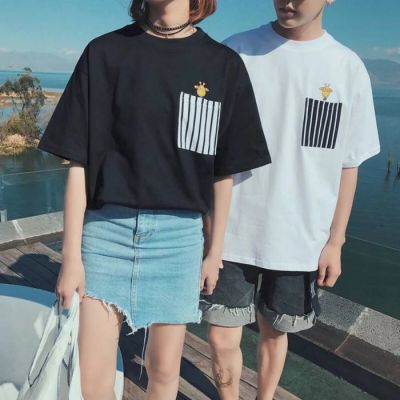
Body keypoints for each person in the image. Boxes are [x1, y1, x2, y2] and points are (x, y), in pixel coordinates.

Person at [37, 1, 271, 399]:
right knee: (92, 380)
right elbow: (78, 163)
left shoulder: (222, 65)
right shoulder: (104, 52)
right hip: (105, 234)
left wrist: (214, 252)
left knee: (163, 374)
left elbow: (223, 173)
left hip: (179, 240)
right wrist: (70, 256)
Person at [200, 1, 381, 399]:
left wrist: (336, 241)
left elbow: (348, 164)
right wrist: (208, 226)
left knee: (275, 332)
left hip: (300, 237)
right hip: (232, 229)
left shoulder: (346, 67)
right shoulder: (236, 51)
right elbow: (207, 146)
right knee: (220, 335)